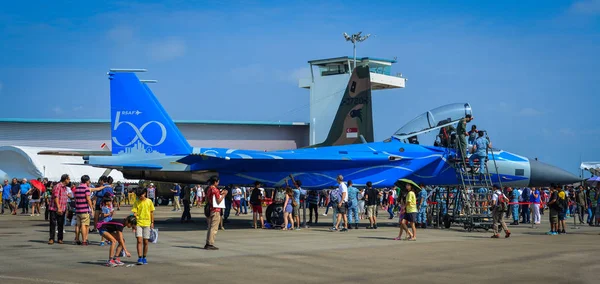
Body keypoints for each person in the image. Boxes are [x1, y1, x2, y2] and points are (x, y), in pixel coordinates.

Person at [131, 188, 155, 264]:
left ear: (144, 193)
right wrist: (133, 225)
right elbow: (134, 213)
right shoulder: (136, 202)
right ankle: (140, 257)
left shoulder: (149, 201)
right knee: (139, 241)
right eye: (138, 196)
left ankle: (144, 257)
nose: (139, 197)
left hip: (147, 223)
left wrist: (152, 222)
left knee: (146, 241)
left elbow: (151, 213)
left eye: (140, 196)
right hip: (138, 223)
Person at [205, 177, 226, 250]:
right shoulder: (215, 190)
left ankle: (208, 242)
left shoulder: (209, 189)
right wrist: (224, 195)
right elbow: (218, 201)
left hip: (210, 209)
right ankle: (210, 244)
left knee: (210, 227)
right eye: (218, 182)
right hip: (216, 210)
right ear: (215, 182)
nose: (218, 183)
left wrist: (220, 193)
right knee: (214, 228)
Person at [48, 174, 70, 245]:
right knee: (53, 223)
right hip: (55, 208)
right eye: (68, 179)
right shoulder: (58, 186)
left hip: (62, 208)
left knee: (61, 224)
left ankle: (60, 238)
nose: (69, 180)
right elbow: (56, 197)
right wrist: (58, 207)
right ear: (65, 179)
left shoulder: (65, 188)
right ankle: (51, 238)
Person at [74, 175, 94, 246]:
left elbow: (75, 199)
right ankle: (84, 240)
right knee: (84, 224)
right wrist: (91, 209)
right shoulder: (86, 188)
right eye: (89, 181)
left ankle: (76, 239)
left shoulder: (76, 188)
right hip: (84, 209)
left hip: (78, 209)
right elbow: (88, 199)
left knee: (77, 225)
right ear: (86, 181)